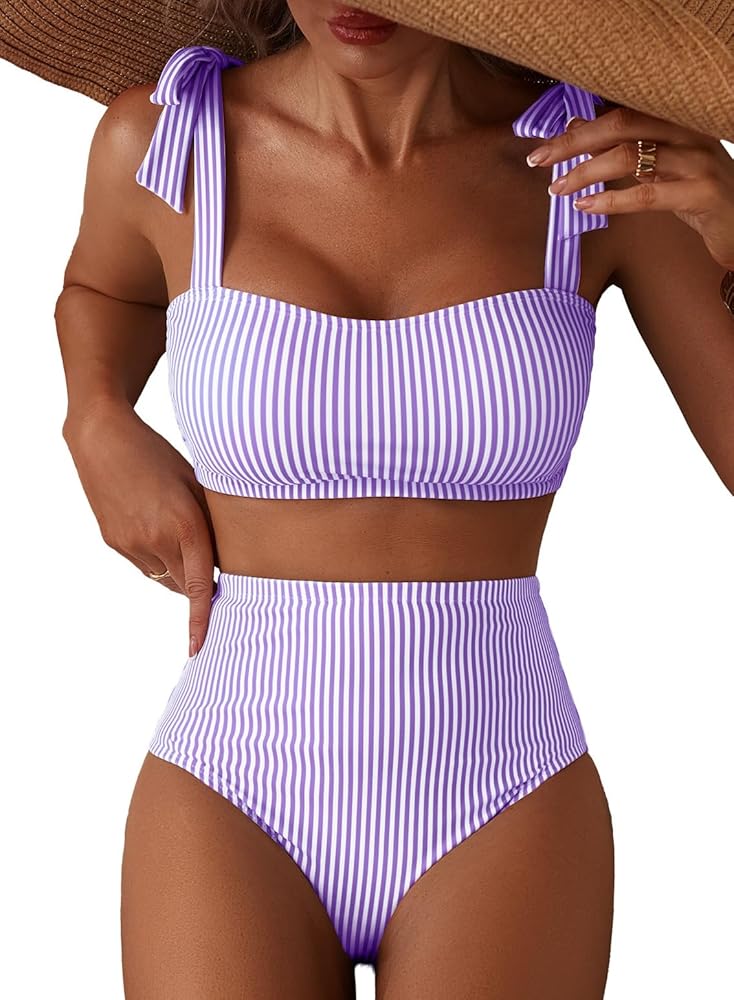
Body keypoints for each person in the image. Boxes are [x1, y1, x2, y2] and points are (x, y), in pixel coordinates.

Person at [55, 2, 734, 997]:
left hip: (503, 786)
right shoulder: (166, 139)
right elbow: (103, 289)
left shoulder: (602, 160)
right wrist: (95, 416)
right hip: (230, 782)